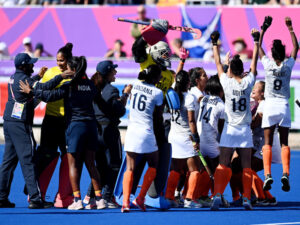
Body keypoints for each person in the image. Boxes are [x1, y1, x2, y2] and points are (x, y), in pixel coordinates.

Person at [20, 56, 105, 210]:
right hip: (91, 127)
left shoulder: (69, 86)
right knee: (91, 164)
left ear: (72, 70)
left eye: (67, 68)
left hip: (75, 127)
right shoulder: (91, 86)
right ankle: (100, 199)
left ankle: (77, 200)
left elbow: (50, 96)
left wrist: (30, 91)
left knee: (72, 164)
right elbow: (101, 104)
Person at [0, 53, 71, 209]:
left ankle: (2, 196)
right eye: (31, 64)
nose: (33, 66)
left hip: (10, 123)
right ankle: (35, 198)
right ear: (24, 66)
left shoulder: (15, 77)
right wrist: (61, 76)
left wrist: (37, 77)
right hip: (21, 125)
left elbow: (31, 84)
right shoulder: (24, 80)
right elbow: (44, 88)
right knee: (29, 161)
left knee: (8, 163)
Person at [210, 28, 260, 211]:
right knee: (246, 166)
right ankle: (247, 198)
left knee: (223, 164)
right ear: (243, 70)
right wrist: (256, 41)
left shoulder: (227, 82)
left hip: (230, 129)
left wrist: (214, 44)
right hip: (245, 129)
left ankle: (216, 195)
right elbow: (254, 64)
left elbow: (217, 63)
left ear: (230, 69)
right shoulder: (248, 83)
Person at [83, 60, 131, 209]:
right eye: (113, 71)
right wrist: (125, 95)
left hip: (94, 130)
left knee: (99, 166)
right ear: (108, 73)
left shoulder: (91, 87)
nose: (115, 73)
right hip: (109, 131)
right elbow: (120, 111)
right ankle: (107, 197)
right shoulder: (111, 90)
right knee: (115, 164)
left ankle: (90, 197)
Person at [258, 16, 299, 192]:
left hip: (269, 106)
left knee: (267, 142)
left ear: (273, 54)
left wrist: (264, 29)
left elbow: (258, 47)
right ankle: (286, 173)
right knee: (284, 142)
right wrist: (290, 28)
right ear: (283, 54)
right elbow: (296, 47)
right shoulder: (288, 65)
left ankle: (267, 175)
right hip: (283, 105)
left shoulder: (267, 64)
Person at [34, 43, 74, 208]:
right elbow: (41, 92)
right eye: (57, 60)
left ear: (68, 59)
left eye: (62, 60)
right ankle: (37, 195)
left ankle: (63, 197)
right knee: (46, 156)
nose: (59, 63)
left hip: (68, 122)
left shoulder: (75, 73)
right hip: (51, 120)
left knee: (68, 157)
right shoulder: (51, 72)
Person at [121, 64, 163, 213]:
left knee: (129, 168)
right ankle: (140, 197)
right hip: (146, 131)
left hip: (132, 131)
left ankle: (125, 202)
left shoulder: (137, 84)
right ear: (155, 77)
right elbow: (158, 117)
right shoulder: (158, 93)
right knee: (153, 164)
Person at [164, 70, 202, 208]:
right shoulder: (189, 97)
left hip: (173, 136)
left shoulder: (172, 94)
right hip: (186, 137)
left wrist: (182, 62)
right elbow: (191, 121)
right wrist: (196, 138)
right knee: (194, 169)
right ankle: (189, 199)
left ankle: (169, 197)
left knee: (175, 169)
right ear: (188, 83)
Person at [250, 81, 280, 206]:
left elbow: (254, 124)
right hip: (262, 143)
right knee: (245, 168)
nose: (252, 91)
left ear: (262, 93)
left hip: (268, 145)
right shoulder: (260, 104)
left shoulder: (263, 105)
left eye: (255, 89)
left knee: (247, 168)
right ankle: (268, 196)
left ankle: (263, 197)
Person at [196, 75, 225, 206]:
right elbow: (221, 127)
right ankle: (216, 195)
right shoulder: (221, 105)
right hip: (212, 141)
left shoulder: (204, 99)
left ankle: (202, 195)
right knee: (219, 171)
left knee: (205, 169)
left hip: (201, 140)